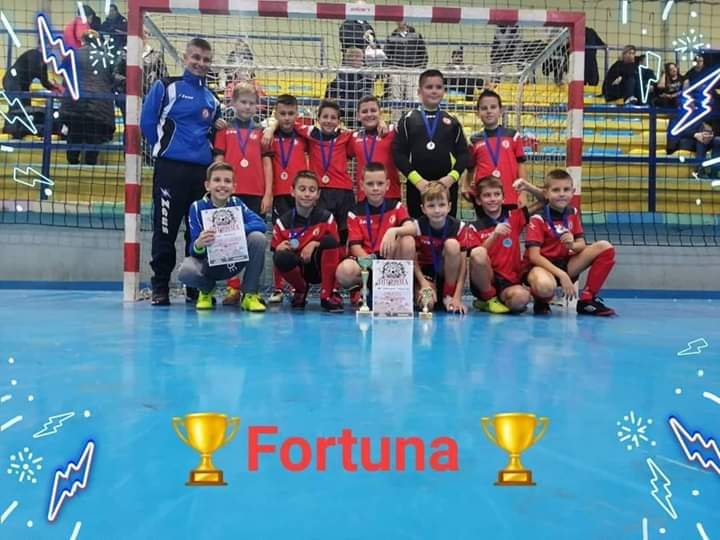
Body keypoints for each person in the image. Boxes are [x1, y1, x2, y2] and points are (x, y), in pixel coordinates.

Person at [140, 37, 221, 306]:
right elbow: (147, 122)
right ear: (185, 58)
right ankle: (160, 286)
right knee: (165, 230)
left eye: (206, 59)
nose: (200, 63)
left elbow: (213, 135)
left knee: (196, 232)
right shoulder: (165, 87)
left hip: (201, 174)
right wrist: (164, 150)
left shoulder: (213, 100)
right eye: (196, 57)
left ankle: (193, 286)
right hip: (170, 171)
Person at [524, 169, 616, 317]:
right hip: (541, 266)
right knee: (545, 287)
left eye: (566, 190)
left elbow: (581, 244)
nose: (562, 194)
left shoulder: (572, 213)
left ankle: (587, 300)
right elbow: (534, 256)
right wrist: (562, 275)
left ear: (573, 192)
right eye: (556, 190)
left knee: (605, 247)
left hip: (565, 262)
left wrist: (572, 245)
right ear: (546, 193)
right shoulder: (538, 218)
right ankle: (541, 300)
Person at [213, 82, 273, 305]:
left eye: (251, 103)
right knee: (230, 240)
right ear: (233, 103)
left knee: (256, 241)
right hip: (230, 195)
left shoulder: (262, 132)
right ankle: (233, 288)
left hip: (256, 194)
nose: (247, 107)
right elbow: (218, 161)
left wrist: (268, 194)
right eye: (243, 102)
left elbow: (267, 164)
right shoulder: (224, 130)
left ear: (257, 106)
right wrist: (217, 192)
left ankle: (251, 289)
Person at [178, 161, 267, 312]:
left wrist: (237, 229)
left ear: (234, 187)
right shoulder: (197, 207)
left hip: (235, 261)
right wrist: (199, 244)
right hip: (209, 263)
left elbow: (261, 224)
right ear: (207, 185)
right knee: (185, 271)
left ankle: (249, 294)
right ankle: (206, 290)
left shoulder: (236, 203)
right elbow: (193, 250)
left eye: (227, 181)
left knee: (258, 238)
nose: (222, 185)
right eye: (217, 180)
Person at [264, 99, 355, 243]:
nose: (329, 121)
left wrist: (381, 122)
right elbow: (286, 121)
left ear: (339, 121)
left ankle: (343, 256)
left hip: (344, 192)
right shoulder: (310, 134)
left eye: (333, 118)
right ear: (318, 119)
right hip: (321, 192)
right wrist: (270, 129)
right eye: (325, 117)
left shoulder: (346, 137)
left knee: (345, 233)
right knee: (322, 232)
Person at [392, 69, 470, 219]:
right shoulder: (408, 120)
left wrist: (451, 178)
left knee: (447, 226)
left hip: (446, 187)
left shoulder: (451, 121)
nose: (434, 91)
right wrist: (418, 181)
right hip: (417, 187)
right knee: (418, 227)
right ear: (419, 91)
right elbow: (399, 154)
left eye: (438, 87)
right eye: (429, 87)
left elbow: (463, 154)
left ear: (444, 91)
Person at [335, 162, 416, 305]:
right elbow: (355, 247)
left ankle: (399, 289)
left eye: (380, 183)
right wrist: (374, 266)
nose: (375, 188)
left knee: (408, 240)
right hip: (367, 262)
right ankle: (366, 288)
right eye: (370, 184)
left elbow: (412, 228)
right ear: (362, 186)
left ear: (387, 185)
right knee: (344, 271)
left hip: (390, 260)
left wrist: (394, 231)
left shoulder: (396, 207)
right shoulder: (354, 212)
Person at [464, 176, 543, 314]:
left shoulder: (514, 217)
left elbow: (544, 200)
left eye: (497, 194)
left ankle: (496, 301)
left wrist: (528, 187)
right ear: (478, 200)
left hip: (509, 281)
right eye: (487, 195)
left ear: (503, 198)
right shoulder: (474, 227)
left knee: (522, 298)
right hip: (486, 279)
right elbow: (476, 256)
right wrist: (494, 235)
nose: (493, 199)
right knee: (478, 252)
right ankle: (488, 298)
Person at [271, 171, 344, 312]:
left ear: (318, 194)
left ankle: (327, 295)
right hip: (299, 270)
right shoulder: (282, 223)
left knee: (329, 241)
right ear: (292, 191)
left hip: (320, 268)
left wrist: (315, 243)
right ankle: (300, 290)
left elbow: (336, 249)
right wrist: (278, 287)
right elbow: (276, 260)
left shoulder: (327, 218)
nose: (307, 194)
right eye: (302, 189)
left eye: (312, 190)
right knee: (280, 255)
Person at [265, 94, 309, 302]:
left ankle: (297, 285)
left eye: (291, 113)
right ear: (275, 114)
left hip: (300, 196)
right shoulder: (269, 136)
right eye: (282, 114)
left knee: (300, 239)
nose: (286, 118)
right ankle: (278, 287)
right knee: (279, 242)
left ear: (297, 114)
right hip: (279, 195)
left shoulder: (303, 136)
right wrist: (270, 128)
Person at [463, 89, 529, 213]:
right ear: (477, 113)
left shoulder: (513, 136)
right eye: (484, 108)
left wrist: (523, 193)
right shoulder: (474, 140)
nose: (489, 111)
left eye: (493, 107)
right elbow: (470, 167)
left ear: (501, 111)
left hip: (510, 195)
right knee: (485, 225)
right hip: (485, 197)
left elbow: (521, 164)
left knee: (511, 225)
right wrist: (465, 185)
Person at [60, 30, 115, 165]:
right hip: (98, 106)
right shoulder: (105, 57)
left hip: (74, 104)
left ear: (82, 40)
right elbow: (111, 79)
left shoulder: (72, 55)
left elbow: (65, 79)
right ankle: (90, 165)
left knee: (74, 136)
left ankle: (72, 165)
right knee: (94, 140)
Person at [412, 183, 467, 314]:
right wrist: (423, 283)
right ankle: (425, 292)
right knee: (427, 305)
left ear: (449, 207)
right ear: (423, 209)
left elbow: (463, 265)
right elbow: (412, 260)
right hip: (425, 275)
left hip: (447, 274)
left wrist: (457, 297)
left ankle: (448, 294)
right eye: (431, 206)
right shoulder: (417, 226)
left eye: (441, 205)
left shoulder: (459, 227)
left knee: (452, 244)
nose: (437, 210)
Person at [349, 96, 401, 205]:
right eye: (364, 111)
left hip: (390, 194)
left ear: (380, 113)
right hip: (364, 196)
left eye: (373, 110)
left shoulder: (392, 132)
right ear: (358, 116)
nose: (369, 114)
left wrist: (382, 121)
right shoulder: (353, 137)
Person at [325, 48, 375, 129]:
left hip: (360, 109)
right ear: (347, 59)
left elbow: (369, 92)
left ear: (362, 59)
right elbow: (331, 90)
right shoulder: (342, 74)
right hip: (345, 110)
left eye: (357, 56)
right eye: (352, 56)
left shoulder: (367, 75)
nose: (354, 59)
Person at [385, 21, 428, 104]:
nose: (401, 21)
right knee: (395, 98)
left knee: (413, 99)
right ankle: (396, 113)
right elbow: (386, 55)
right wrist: (389, 70)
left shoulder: (416, 36)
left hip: (413, 71)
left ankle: (412, 113)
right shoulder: (391, 37)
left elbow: (423, 54)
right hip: (396, 71)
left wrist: (420, 69)